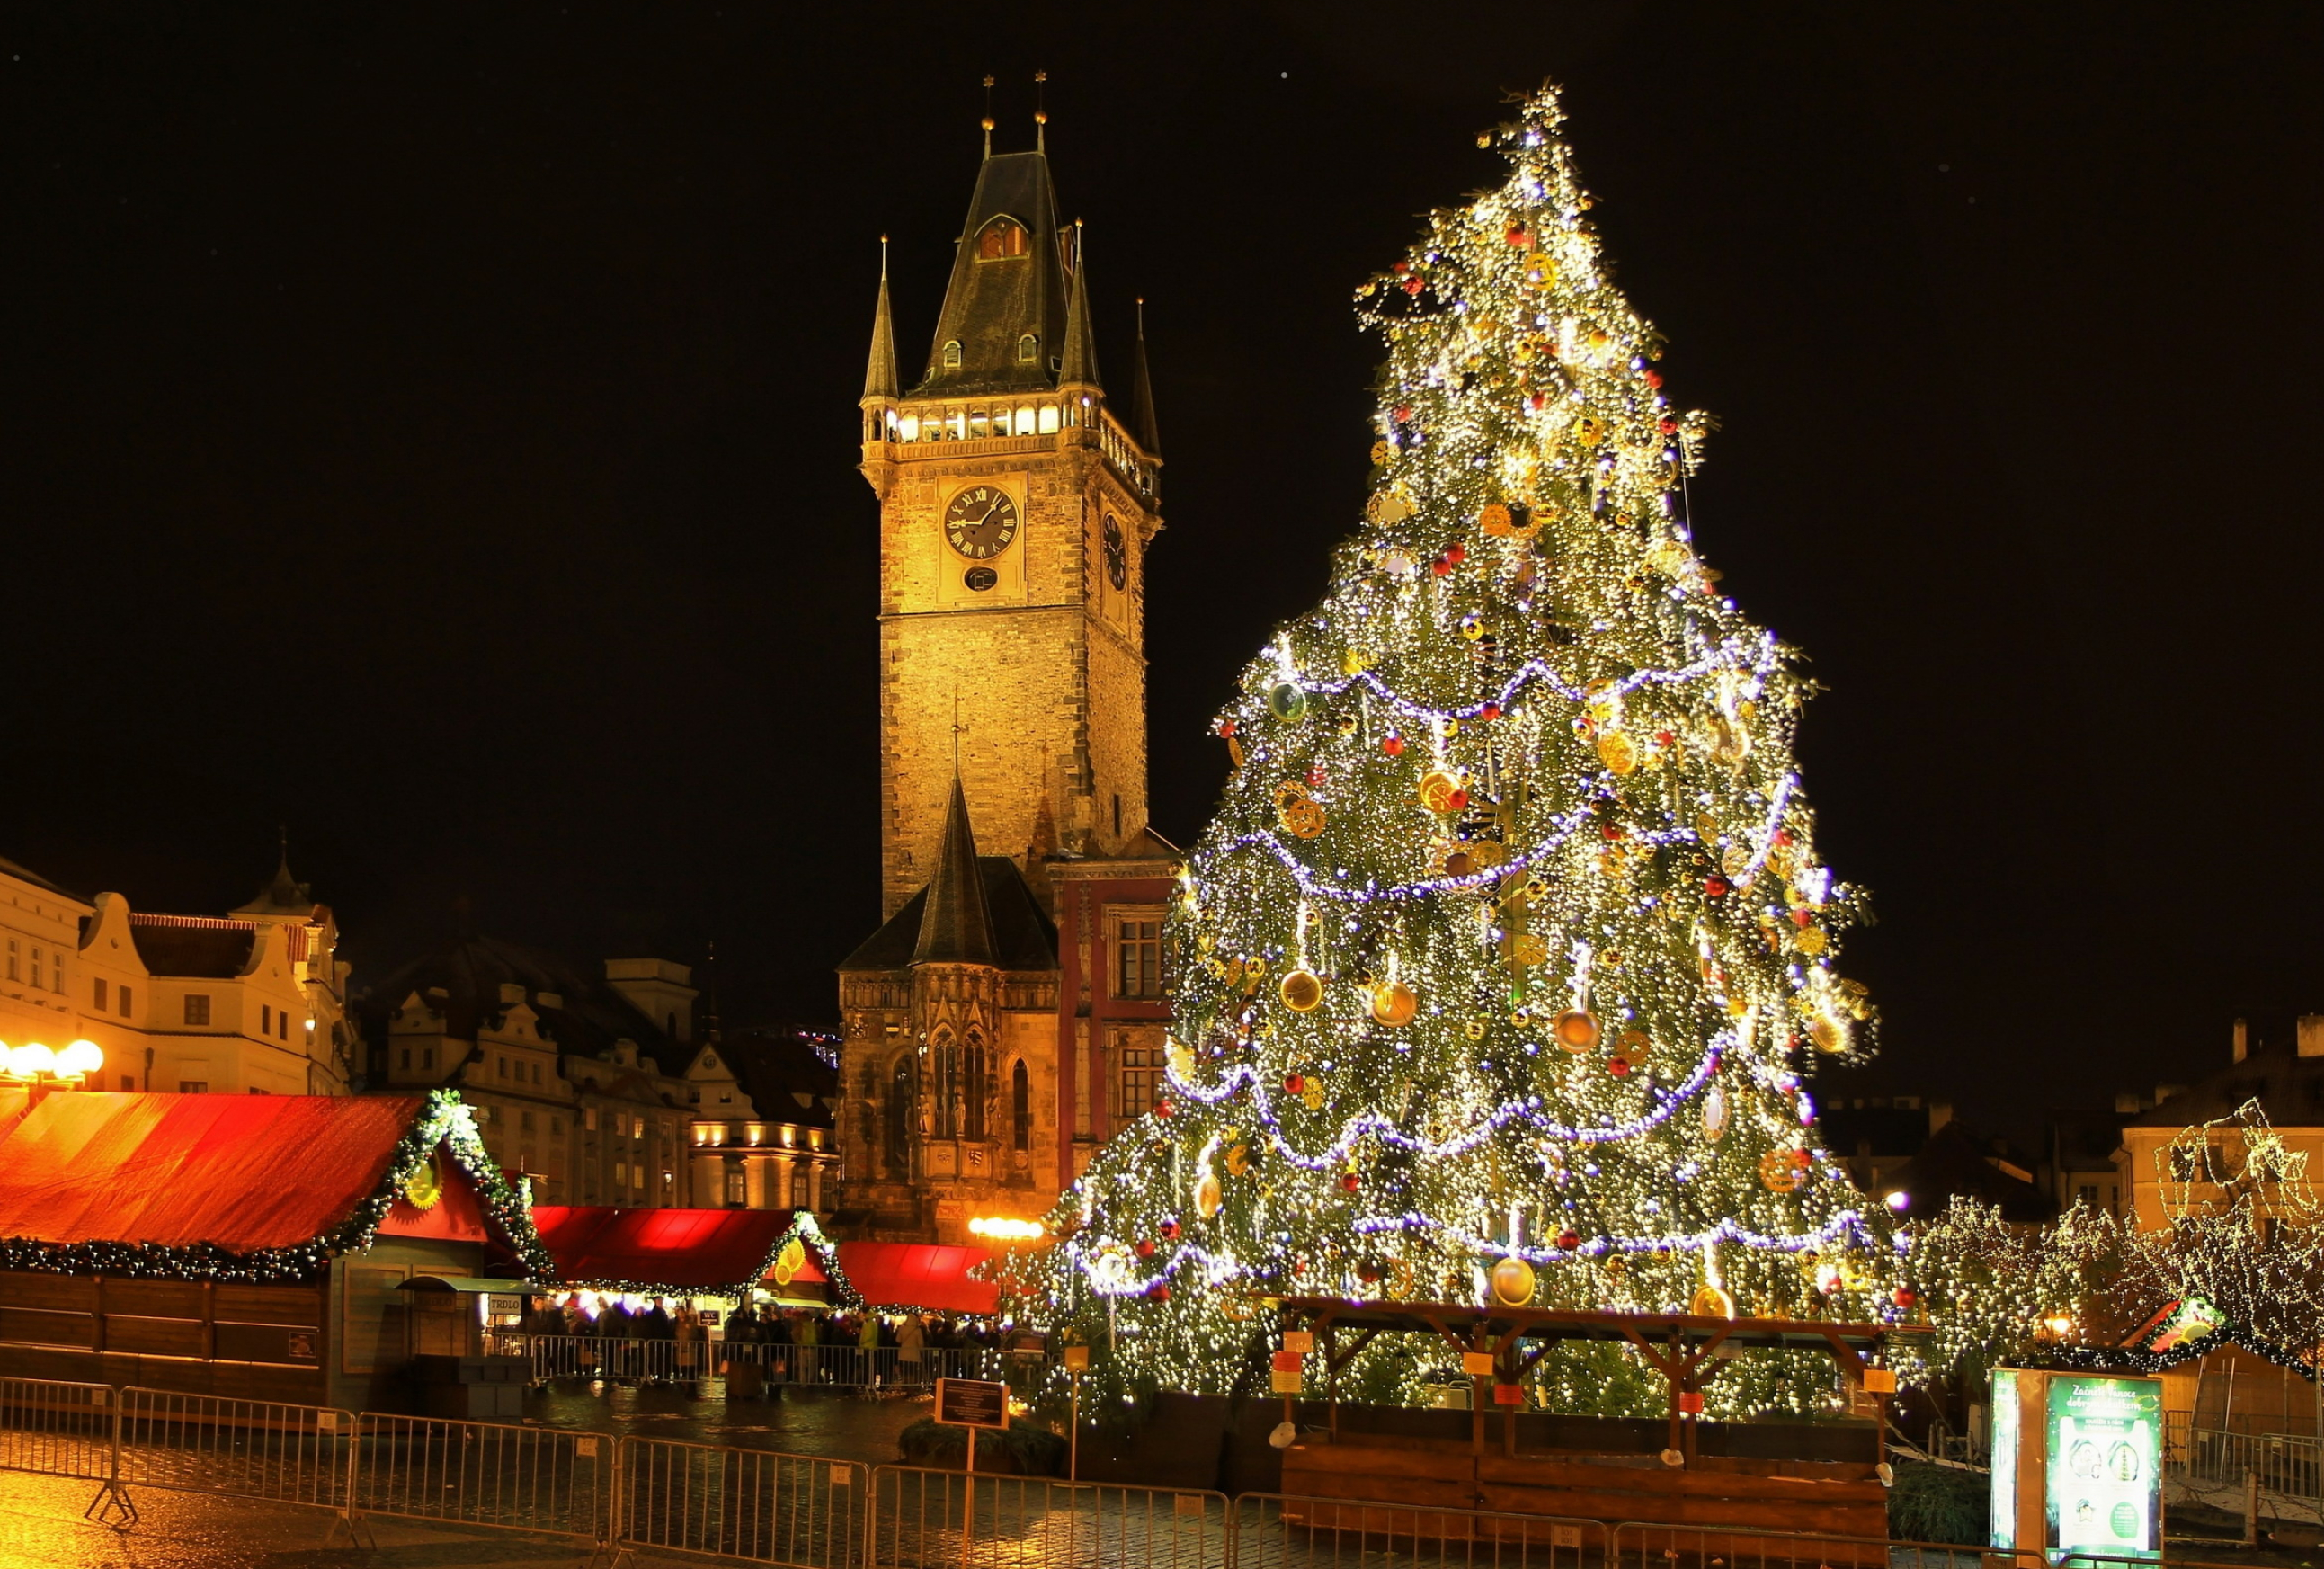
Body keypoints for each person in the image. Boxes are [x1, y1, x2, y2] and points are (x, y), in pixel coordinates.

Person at [897, 1312, 926, 1386]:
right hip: (914, 1354)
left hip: (903, 1354)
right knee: (912, 1371)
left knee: (905, 1370)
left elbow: (898, 1340)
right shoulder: (917, 1330)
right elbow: (920, 1343)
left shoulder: (902, 1329)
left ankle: (905, 1384)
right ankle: (911, 1385)